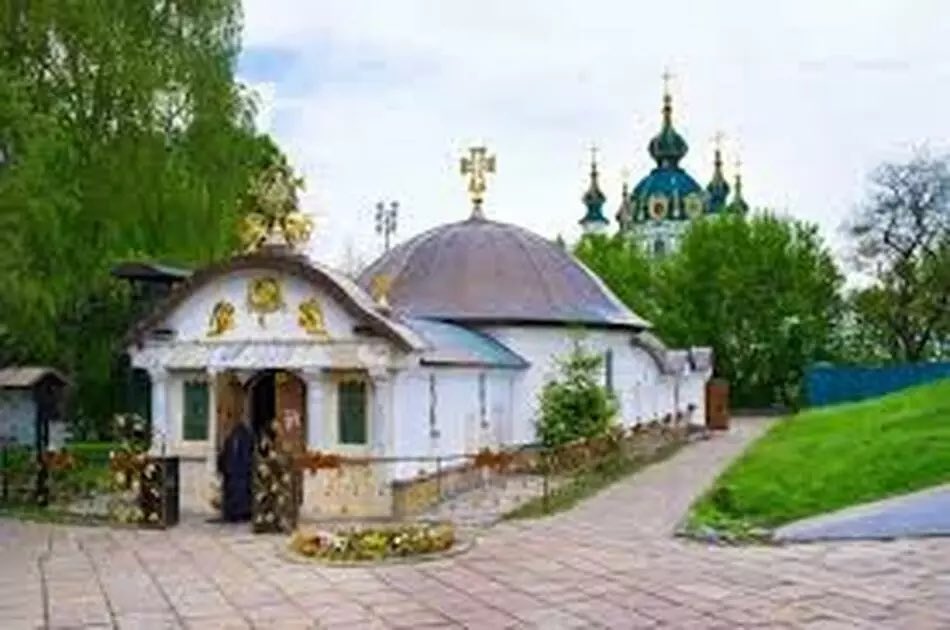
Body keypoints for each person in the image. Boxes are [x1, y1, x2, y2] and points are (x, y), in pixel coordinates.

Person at [216, 421, 254, 522]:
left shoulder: (246, 439)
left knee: (240, 495)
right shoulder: (229, 440)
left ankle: (240, 514)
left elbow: (248, 456)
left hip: (240, 473)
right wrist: (222, 469)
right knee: (232, 494)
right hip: (231, 473)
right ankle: (231, 514)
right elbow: (223, 455)